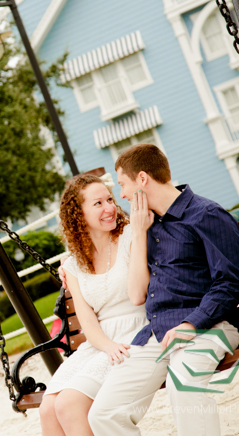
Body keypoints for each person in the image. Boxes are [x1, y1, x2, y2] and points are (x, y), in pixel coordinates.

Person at [87, 144, 239, 436]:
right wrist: (138, 232)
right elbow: (133, 289)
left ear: (143, 179)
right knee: (103, 413)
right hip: (156, 333)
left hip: (210, 326)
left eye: (122, 184)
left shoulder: (206, 214)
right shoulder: (147, 224)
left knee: (183, 385)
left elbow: (230, 283)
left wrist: (190, 324)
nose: (121, 194)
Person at [40, 173, 153, 436]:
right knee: (48, 408)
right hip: (100, 342)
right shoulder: (74, 264)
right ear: (78, 214)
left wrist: (139, 233)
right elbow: (87, 322)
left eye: (110, 200)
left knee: (69, 404)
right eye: (98, 204)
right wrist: (106, 345)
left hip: (135, 331)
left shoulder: (130, 238)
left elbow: (140, 294)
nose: (110, 208)